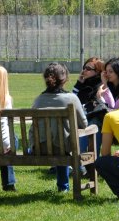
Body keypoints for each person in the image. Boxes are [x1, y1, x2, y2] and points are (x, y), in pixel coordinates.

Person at [30, 62, 89, 192]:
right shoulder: (71, 98)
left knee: (58, 142)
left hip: (39, 148)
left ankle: (63, 187)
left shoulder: (38, 100)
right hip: (62, 149)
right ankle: (64, 187)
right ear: (65, 79)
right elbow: (84, 125)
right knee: (62, 144)